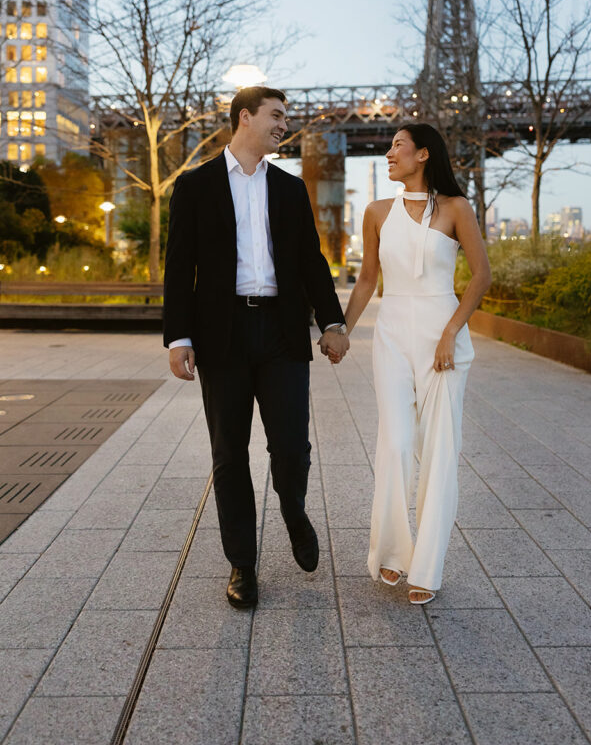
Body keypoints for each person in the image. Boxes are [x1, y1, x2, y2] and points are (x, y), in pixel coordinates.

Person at [163, 86, 350, 610]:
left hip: (282, 332)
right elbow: (179, 268)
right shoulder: (195, 186)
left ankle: (292, 508)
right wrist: (178, 337)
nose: (283, 125)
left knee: (291, 446)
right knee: (229, 453)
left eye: (285, 117)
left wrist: (331, 323)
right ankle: (242, 564)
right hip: (221, 336)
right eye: (275, 115)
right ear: (244, 118)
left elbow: (312, 262)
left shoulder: (289, 189)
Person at [332, 123, 491, 604]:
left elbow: (482, 276)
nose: (388, 153)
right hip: (394, 334)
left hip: (443, 335)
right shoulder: (377, 212)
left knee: (441, 449)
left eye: (397, 145)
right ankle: (393, 552)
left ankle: (428, 566)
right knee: (397, 443)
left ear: (423, 154)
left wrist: (451, 333)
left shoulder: (457, 209)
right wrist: (339, 330)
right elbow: (366, 282)